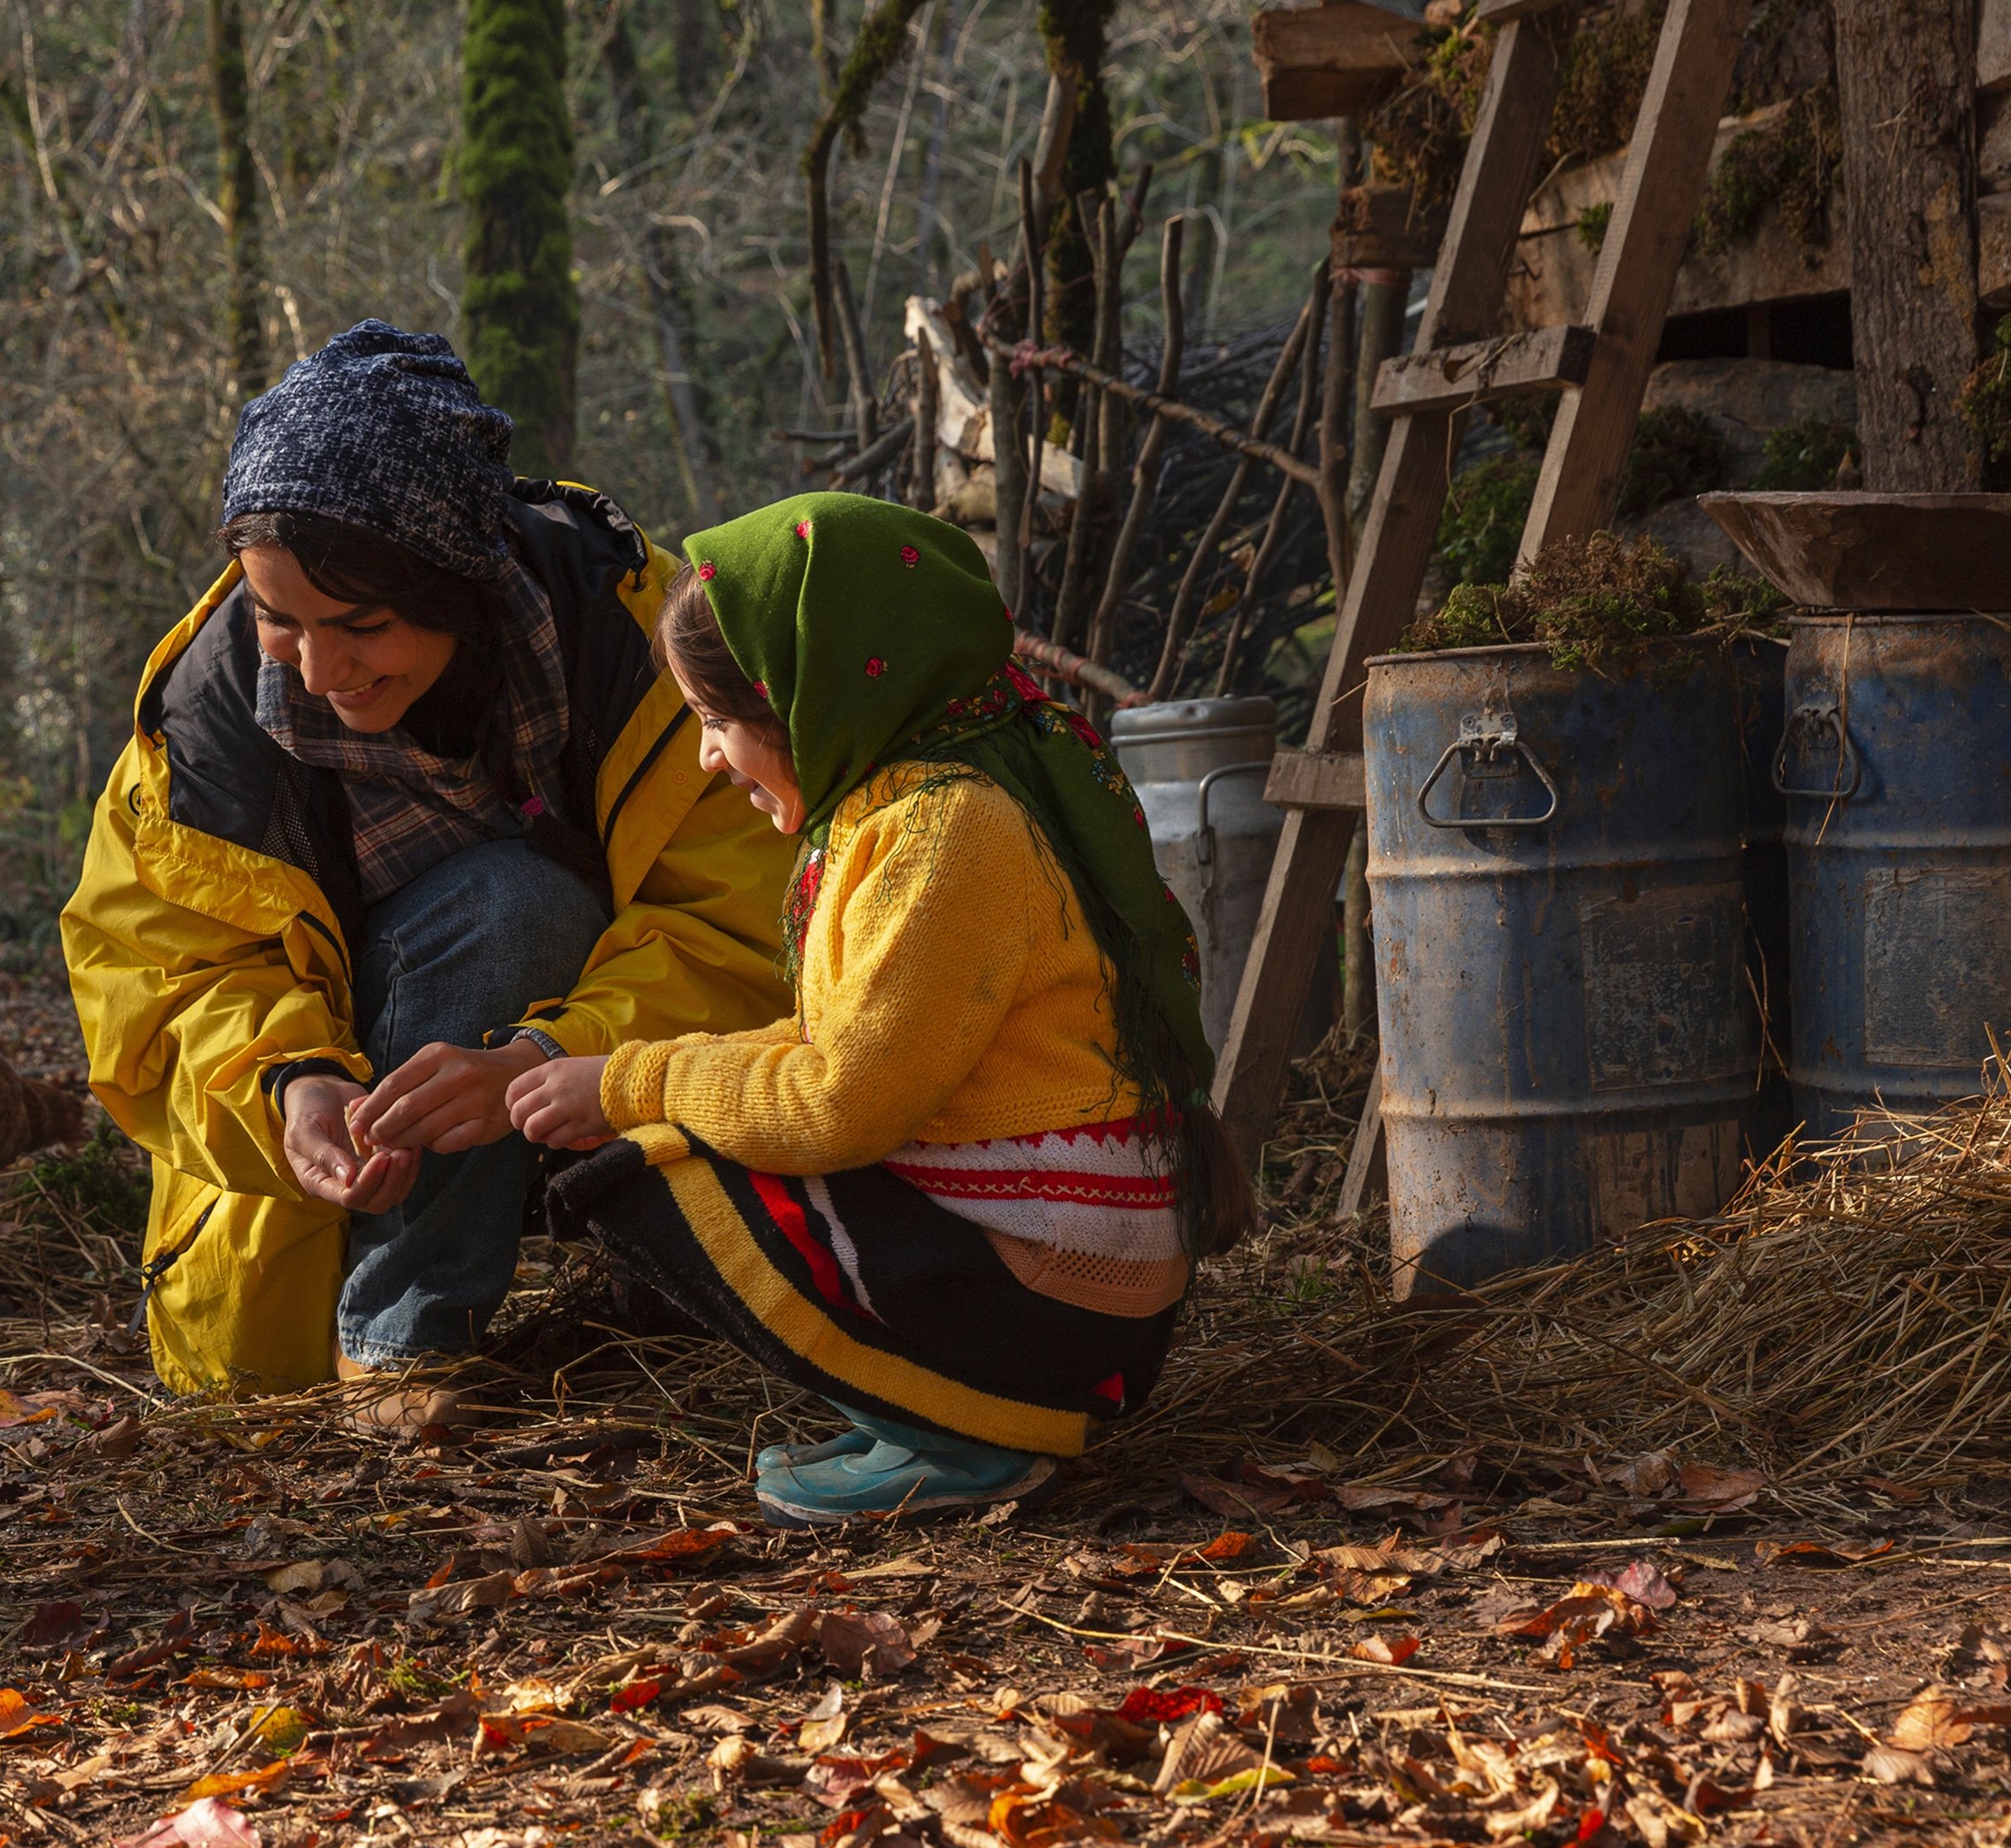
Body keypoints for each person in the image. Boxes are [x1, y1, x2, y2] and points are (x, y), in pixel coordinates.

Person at [63, 322, 796, 1405]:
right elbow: (157, 980)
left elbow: (739, 931)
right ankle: (396, 1344)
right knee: (510, 905)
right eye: (277, 621)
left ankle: (550, 1296)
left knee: (512, 905)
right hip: (322, 1152)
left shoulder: (642, 648)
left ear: (461, 587)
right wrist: (289, 1084)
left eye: (359, 625)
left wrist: (544, 1061)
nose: (317, 670)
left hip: (601, 1065)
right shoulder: (202, 735)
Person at [510, 492, 1247, 1524]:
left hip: (1060, 1294)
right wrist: (637, 1072)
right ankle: (929, 1407)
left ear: (811, 694)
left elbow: (837, 1101)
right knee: (678, 1126)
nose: (709, 759)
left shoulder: (945, 831)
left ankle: (969, 1432)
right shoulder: (904, 806)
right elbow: (832, 1041)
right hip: (1062, 1269)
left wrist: (635, 1081)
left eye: (719, 722)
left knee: (650, 1171)